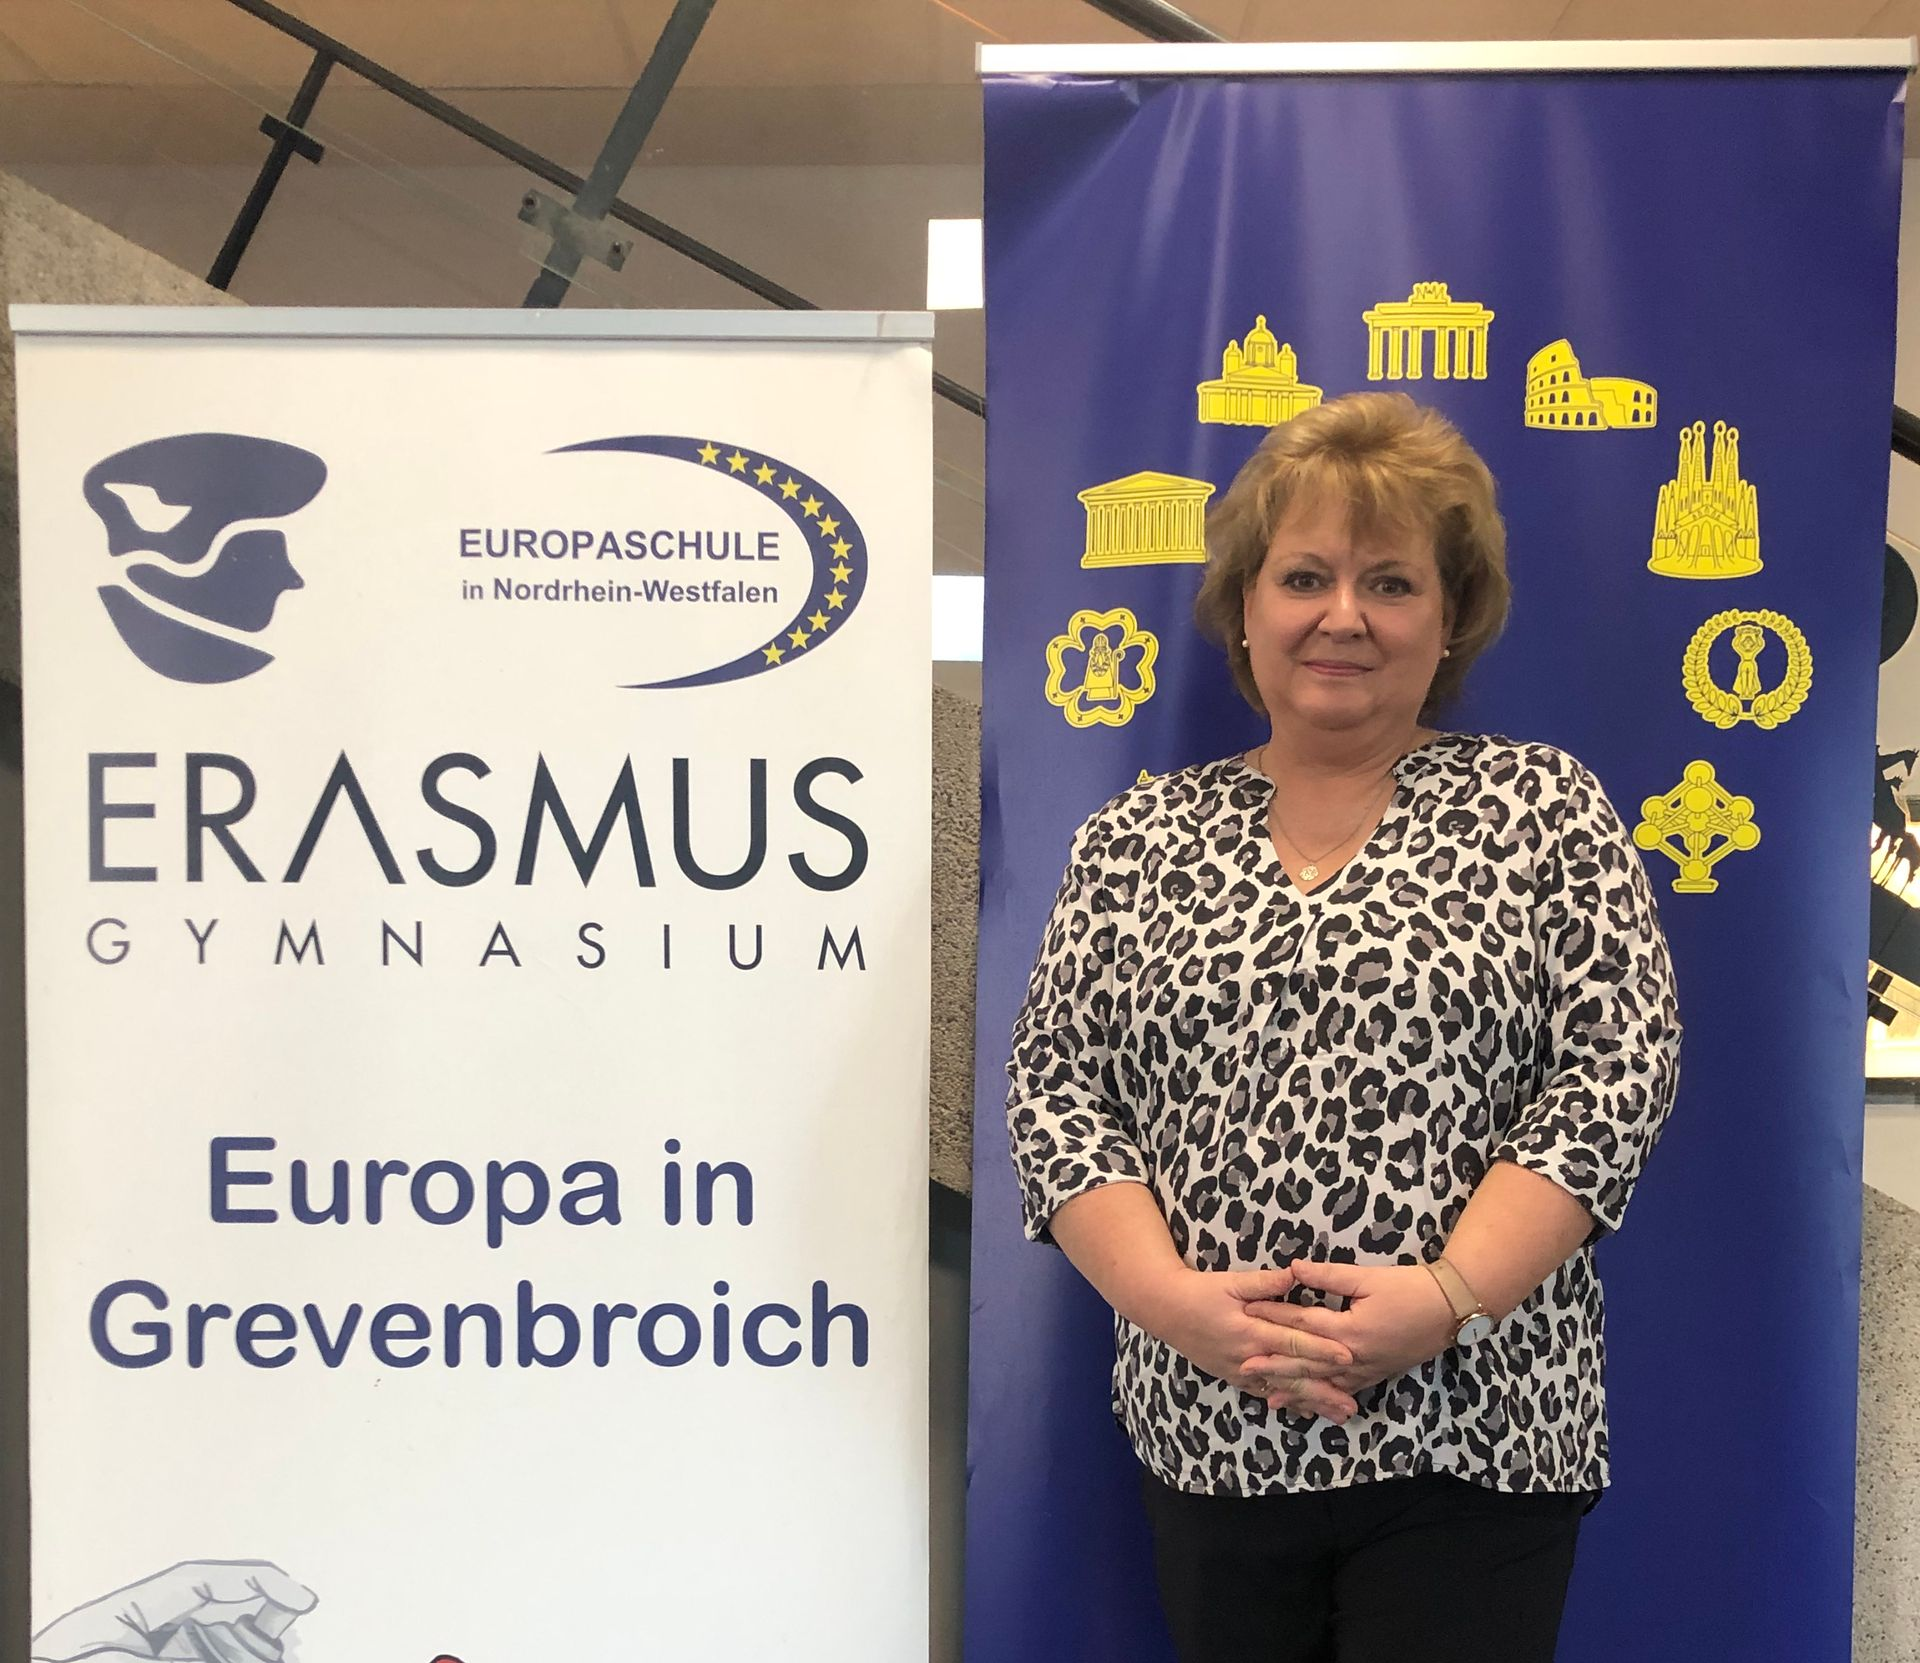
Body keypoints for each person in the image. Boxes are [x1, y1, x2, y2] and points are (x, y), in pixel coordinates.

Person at [1004, 391, 1683, 1663]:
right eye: (1305, 576)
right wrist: (1173, 1305)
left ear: (1450, 617)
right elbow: (1057, 1091)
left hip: (1476, 1428)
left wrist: (1448, 1297)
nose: (1344, 615)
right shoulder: (1134, 837)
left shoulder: (1541, 807)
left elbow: (1616, 1070)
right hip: (1209, 1430)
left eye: (1392, 582)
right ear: (1245, 608)